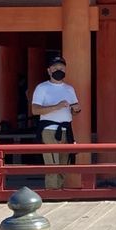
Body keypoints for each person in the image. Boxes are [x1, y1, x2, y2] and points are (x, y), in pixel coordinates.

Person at [30, 53, 81, 188]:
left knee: (64, 165)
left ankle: (59, 192)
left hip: (66, 130)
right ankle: (52, 195)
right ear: (49, 70)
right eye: (55, 67)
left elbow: (72, 112)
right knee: (52, 165)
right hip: (49, 130)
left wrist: (76, 109)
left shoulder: (69, 89)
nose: (59, 70)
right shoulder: (42, 88)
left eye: (62, 68)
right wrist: (56, 107)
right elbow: (35, 110)